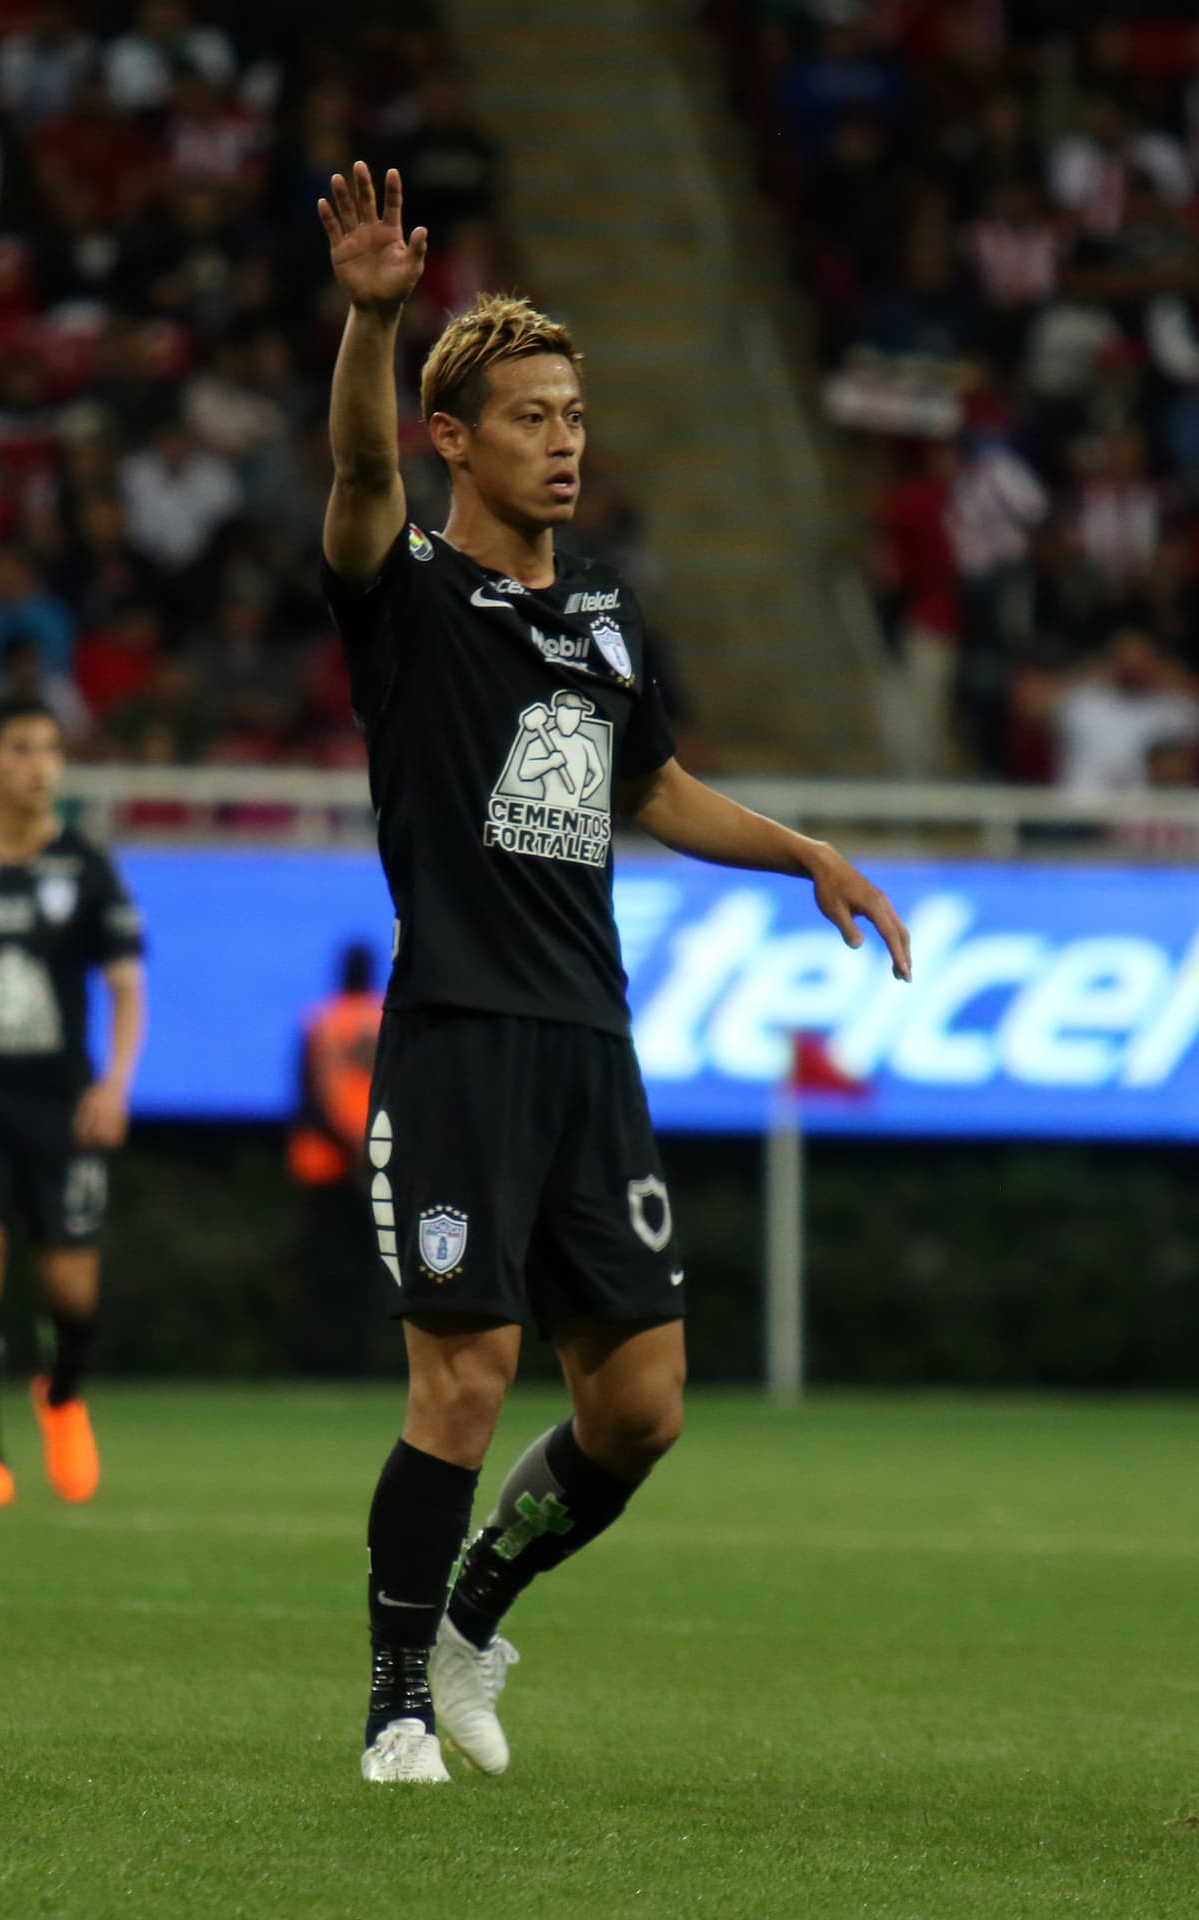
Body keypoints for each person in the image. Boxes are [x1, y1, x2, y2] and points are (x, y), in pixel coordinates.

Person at [316, 162, 912, 1786]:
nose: (566, 437)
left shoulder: (602, 605)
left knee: (640, 1404)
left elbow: (648, 787)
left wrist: (805, 852)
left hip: (592, 1040)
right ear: (458, 439)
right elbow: (356, 467)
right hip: (456, 1034)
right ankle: (385, 1704)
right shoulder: (408, 601)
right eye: (530, 415)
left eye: (574, 410)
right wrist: (373, 320)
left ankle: (470, 1622)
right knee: (465, 1376)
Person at [0, 696, 146, 1510]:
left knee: (71, 1291)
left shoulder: (85, 865)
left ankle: (61, 1393)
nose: (41, 764)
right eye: (21, 748)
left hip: (60, 1102)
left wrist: (115, 1082)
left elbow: (125, 986)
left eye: (51, 748)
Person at [286, 941, 385, 1375]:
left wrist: (343, 1143)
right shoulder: (388, 1019)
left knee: (322, 1272)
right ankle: (365, 1364)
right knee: (372, 1274)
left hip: (324, 1164)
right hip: (379, 1163)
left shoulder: (321, 1021)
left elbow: (306, 1094)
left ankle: (317, 1363)